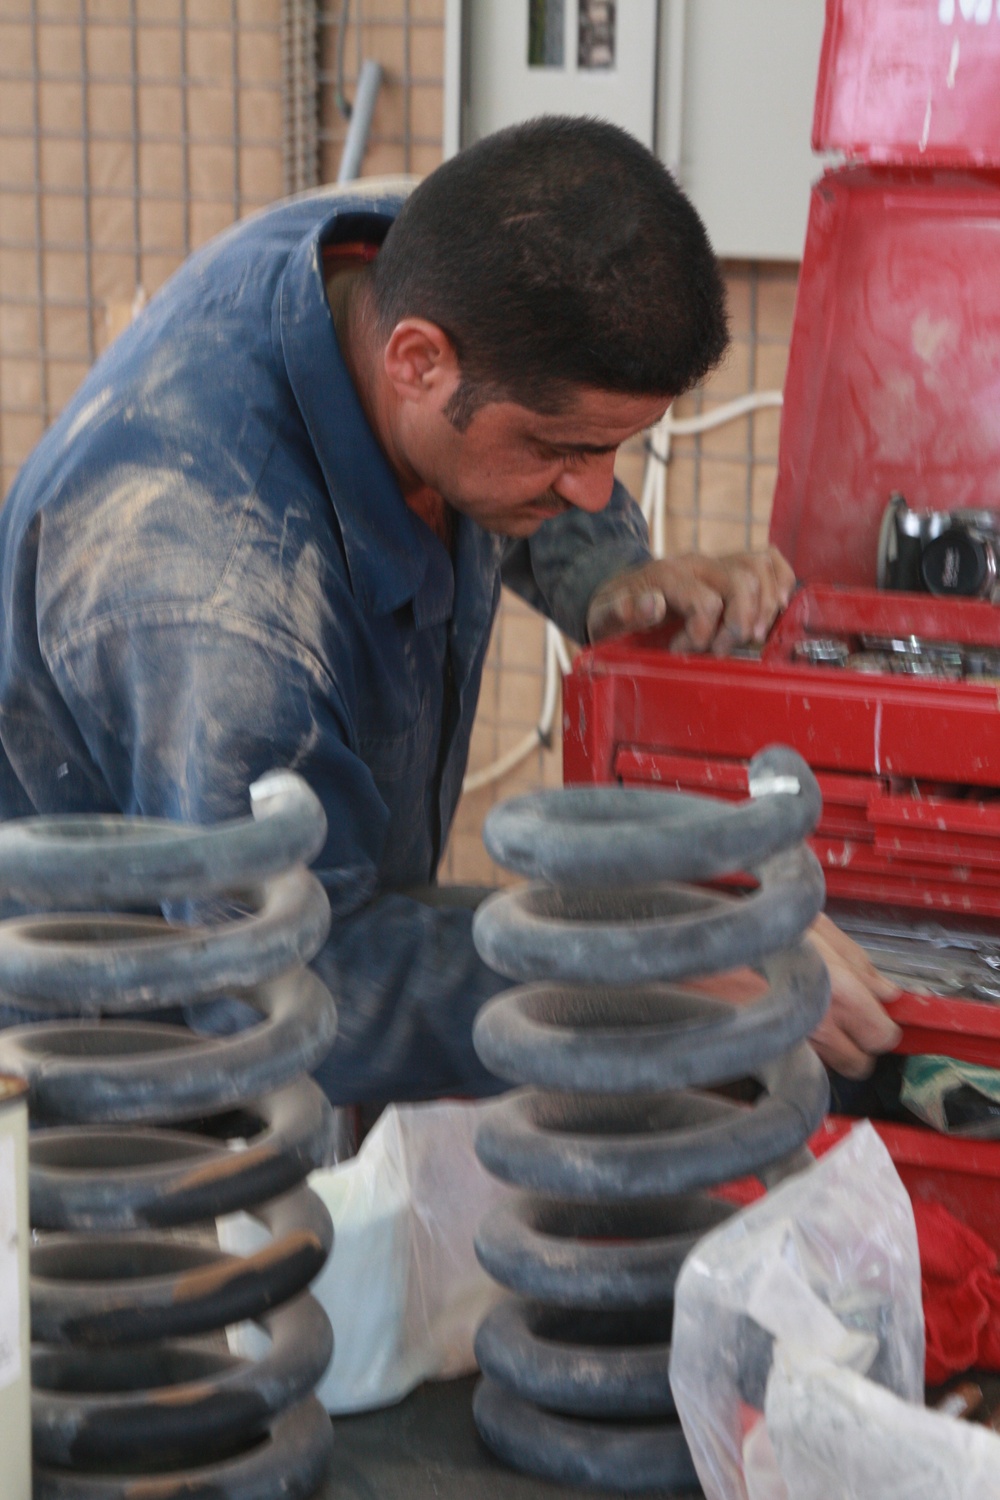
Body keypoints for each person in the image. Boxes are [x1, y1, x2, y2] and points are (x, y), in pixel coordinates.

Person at [0, 116, 900, 1099]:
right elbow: (288, 987)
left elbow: (523, 442)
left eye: (617, 447)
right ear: (416, 362)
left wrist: (601, 575)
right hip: (107, 1077)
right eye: (562, 447)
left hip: (272, 923)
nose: (599, 490)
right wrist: (634, 963)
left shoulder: (391, 264)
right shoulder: (223, 607)